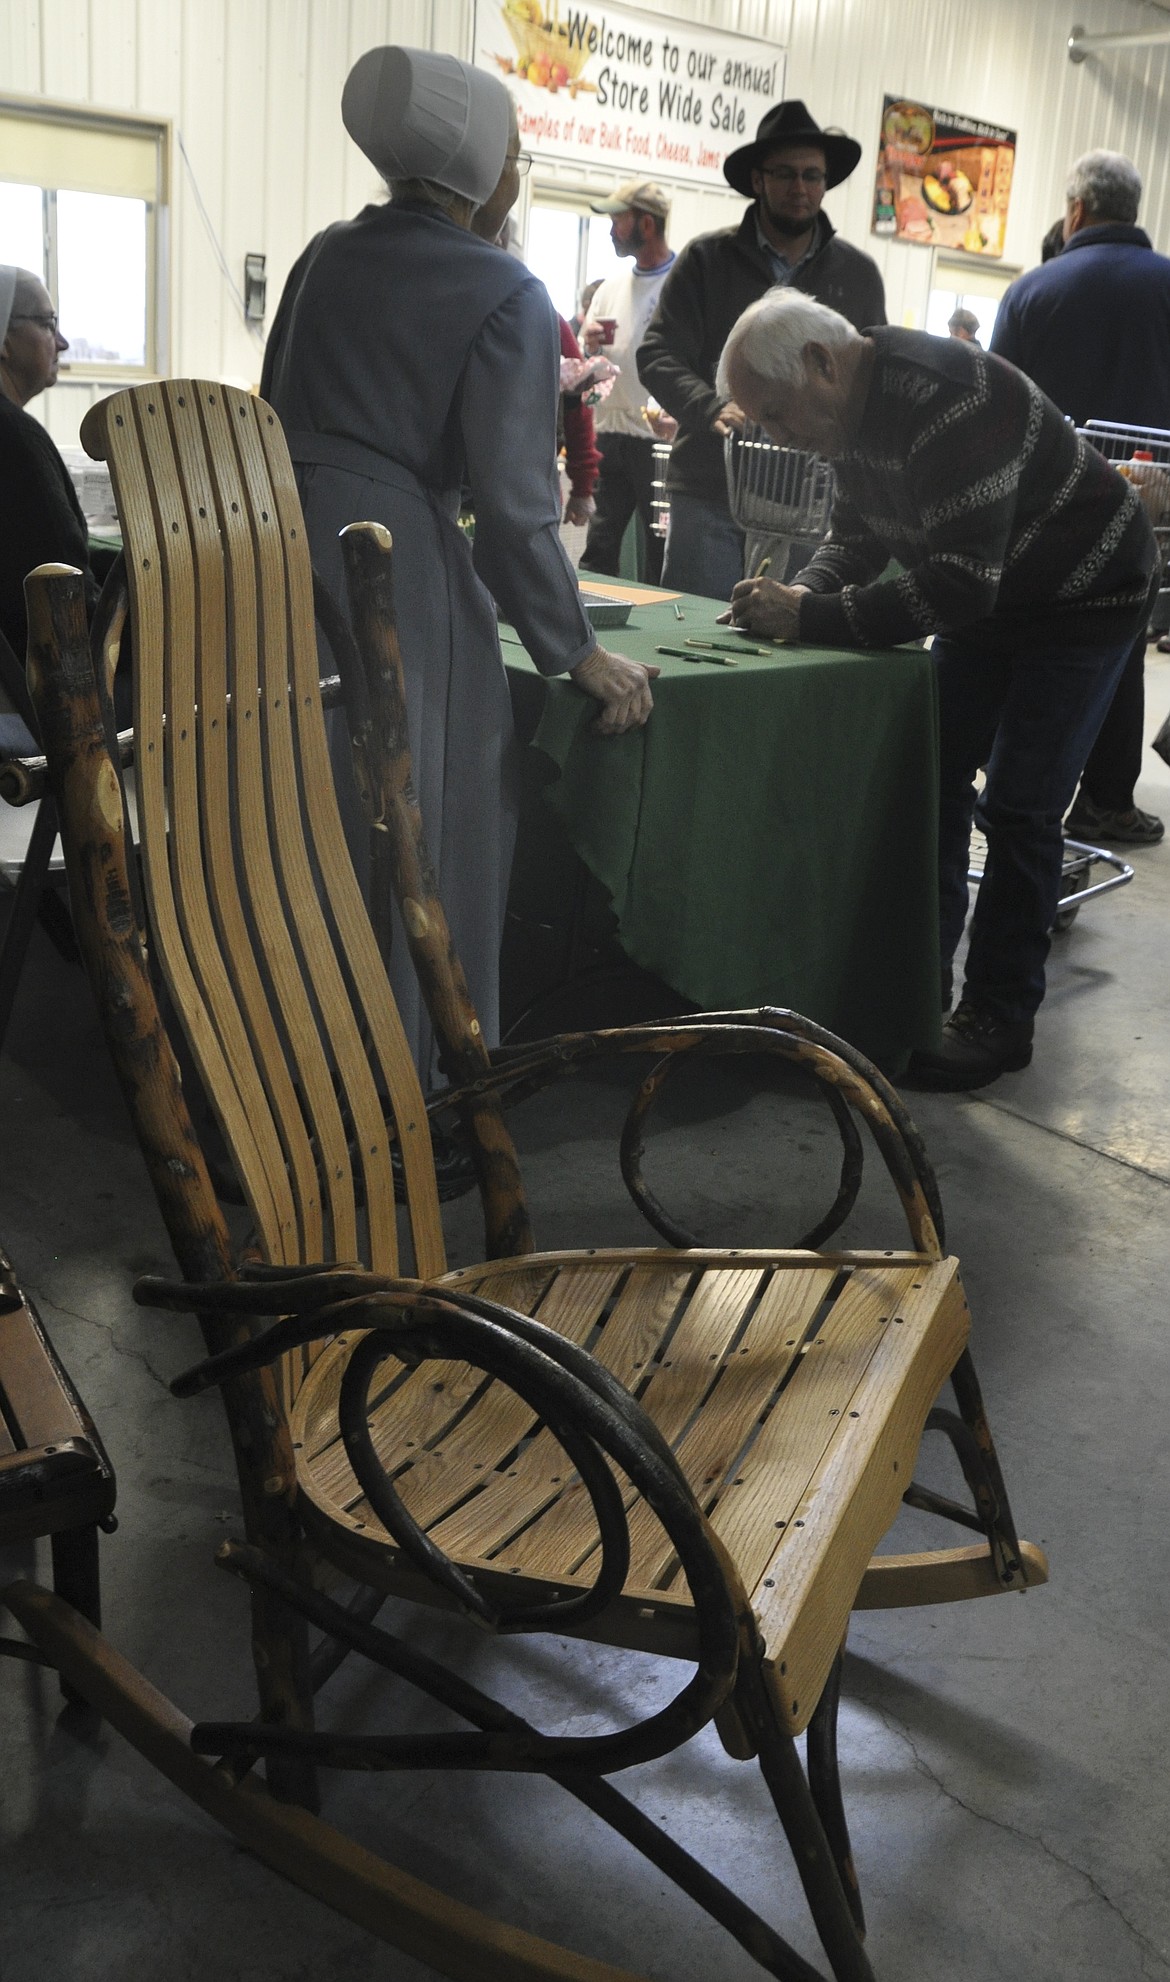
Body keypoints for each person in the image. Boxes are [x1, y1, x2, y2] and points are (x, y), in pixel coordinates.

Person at [261, 47, 656, 1077]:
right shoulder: (504, 288)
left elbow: (269, 411)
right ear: (484, 169)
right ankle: (405, 1072)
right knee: (417, 812)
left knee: (294, 806)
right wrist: (578, 653)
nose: (520, 174)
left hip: (273, 552)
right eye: (518, 154)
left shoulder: (322, 256)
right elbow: (521, 511)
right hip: (392, 567)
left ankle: (282, 1067)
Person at [718, 290, 1158, 1089]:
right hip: (996, 594)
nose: (777, 436)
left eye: (776, 414)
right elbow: (857, 537)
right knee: (933, 782)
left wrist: (810, 616)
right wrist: (791, 599)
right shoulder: (848, 415)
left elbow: (958, 586)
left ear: (820, 364)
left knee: (1020, 807)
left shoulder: (949, 401)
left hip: (1083, 595)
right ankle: (914, 997)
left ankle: (998, 1018)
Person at [637, 100, 886, 600]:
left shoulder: (857, 275)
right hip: (711, 484)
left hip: (813, 496)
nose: (801, 188)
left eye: (813, 176)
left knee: (791, 645)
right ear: (758, 180)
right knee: (696, 635)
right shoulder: (706, 260)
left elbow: (870, 380)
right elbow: (657, 352)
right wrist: (712, 406)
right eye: (787, 174)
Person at [991, 149, 1169, 846]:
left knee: (1037, 638)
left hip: (1050, 509)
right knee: (1120, 636)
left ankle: (1019, 790)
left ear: (1076, 212)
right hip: (1150, 509)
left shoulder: (1034, 290)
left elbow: (998, 404)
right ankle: (1106, 799)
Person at [0, 266, 100, 684]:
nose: (61, 341)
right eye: (46, 323)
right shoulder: (15, 439)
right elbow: (66, 588)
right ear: (4, 339)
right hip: (45, 687)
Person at [577, 180, 675, 584]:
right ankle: (589, 633)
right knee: (599, 546)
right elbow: (591, 366)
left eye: (618, 220)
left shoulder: (680, 284)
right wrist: (589, 347)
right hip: (610, 434)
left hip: (657, 442)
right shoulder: (611, 287)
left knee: (659, 552)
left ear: (647, 225)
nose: (611, 230)